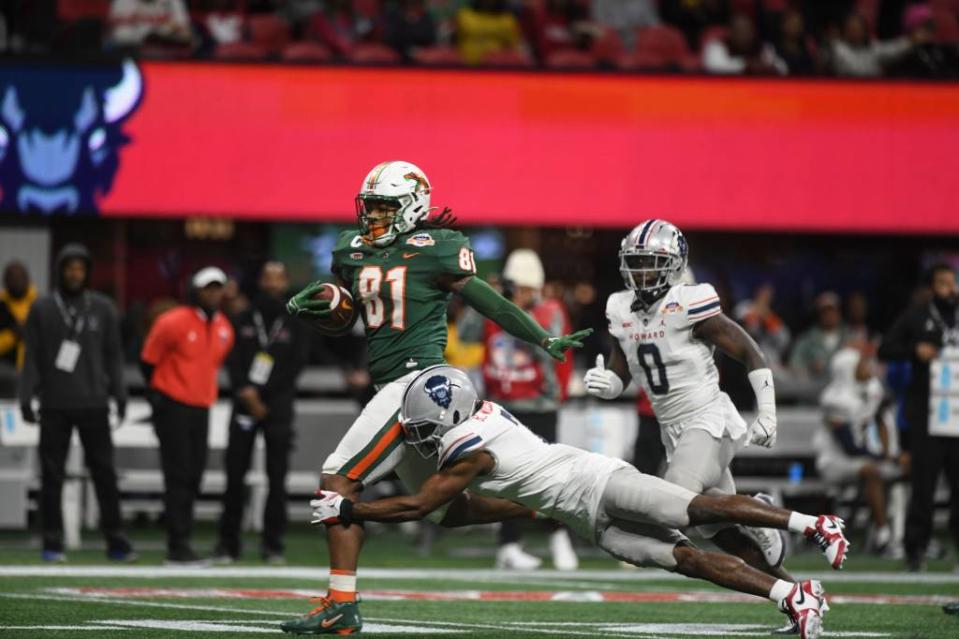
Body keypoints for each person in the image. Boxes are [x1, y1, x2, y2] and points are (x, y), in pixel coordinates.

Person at [280, 160, 591, 634]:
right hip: (389, 383)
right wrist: (316, 307)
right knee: (448, 509)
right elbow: (349, 313)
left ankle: (340, 603)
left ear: (411, 208)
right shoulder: (350, 249)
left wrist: (542, 339)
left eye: (386, 208)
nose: (374, 218)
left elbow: (493, 303)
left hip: (417, 383)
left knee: (337, 478)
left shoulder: (440, 249)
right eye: (371, 208)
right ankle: (552, 503)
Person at [311, 365, 848, 639]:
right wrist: (531, 510)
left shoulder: (467, 451)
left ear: (450, 419)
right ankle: (792, 596)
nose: (420, 438)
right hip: (585, 515)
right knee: (685, 559)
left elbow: (420, 508)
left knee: (695, 506)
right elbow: (461, 513)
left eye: (424, 428)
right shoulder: (478, 423)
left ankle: (813, 523)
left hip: (599, 481)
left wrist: (350, 510)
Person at [582, 220, 795, 627]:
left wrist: (767, 411)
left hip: (708, 420)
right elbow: (621, 368)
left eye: (652, 262)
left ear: (675, 265)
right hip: (672, 432)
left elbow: (750, 352)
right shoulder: (619, 307)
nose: (643, 271)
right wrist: (609, 384)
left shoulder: (689, 302)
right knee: (724, 536)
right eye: (636, 262)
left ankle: (761, 512)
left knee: (672, 504)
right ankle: (797, 596)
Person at [18, 244, 134, 562]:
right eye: (69, 267)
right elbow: (31, 357)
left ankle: (116, 540)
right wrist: (26, 396)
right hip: (54, 403)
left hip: (94, 402)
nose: (75, 273)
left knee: (105, 473)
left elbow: (114, 356)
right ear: (60, 271)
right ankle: (52, 541)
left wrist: (120, 395)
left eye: (80, 268)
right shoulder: (42, 308)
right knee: (52, 475)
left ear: (88, 272)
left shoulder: (102, 308)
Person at [470, 249, 578, 570]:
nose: (521, 294)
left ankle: (558, 535)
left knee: (547, 477)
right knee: (503, 478)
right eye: (516, 287)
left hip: (538, 405)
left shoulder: (549, 310)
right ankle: (508, 544)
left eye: (526, 288)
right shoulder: (492, 309)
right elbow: (465, 333)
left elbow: (557, 355)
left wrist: (552, 396)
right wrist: (483, 299)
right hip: (502, 406)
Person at [213, 262, 309, 565]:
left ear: (285, 283)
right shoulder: (242, 317)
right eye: (267, 277)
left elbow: (296, 365)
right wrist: (246, 391)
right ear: (259, 281)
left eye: (277, 278)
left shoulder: (295, 320)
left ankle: (273, 545)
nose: (272, 284)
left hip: (276, 405)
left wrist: (264, 396)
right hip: (244, 402)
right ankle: (228, 544)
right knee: (234, 475)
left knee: (277, 477)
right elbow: (232, 359)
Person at [140, 266, 234, 565]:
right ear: (196, 290)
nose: (213, 293)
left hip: (201, 407)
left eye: (217, 288)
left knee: (194, 476)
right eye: (208, 288)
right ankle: (177, 545)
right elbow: (148, 362)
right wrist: (160, 397)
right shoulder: (172, 322)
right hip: (173, 406)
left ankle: (180, 540)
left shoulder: (224, 328)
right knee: (178, 476)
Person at [878, 263, 959, 572]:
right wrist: (915, 350)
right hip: (929, 415)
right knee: (923, 489)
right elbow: (886, 349)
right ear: (931, 288)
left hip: (958, 416)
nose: (949, 289)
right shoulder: (917, 314)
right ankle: (915, 552)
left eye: (952, 282)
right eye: (942, 283)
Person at [816, 346, 908, 554]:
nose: (868, 368)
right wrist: (883, 458)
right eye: (861, 365)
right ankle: (883, 536)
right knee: (872, 471)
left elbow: (882, 414)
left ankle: (902, 534)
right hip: (834, 461)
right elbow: (849, 447)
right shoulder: (833, 398)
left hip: (862, 456)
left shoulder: (870, 389)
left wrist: (888, 452)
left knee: (908, 467)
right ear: (847, 369)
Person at [789, 292, 848, 386]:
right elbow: (794, 364)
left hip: (842, 390)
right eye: (825, 312)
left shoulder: (850, 337)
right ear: (819, 314)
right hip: (813, 391)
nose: (829, 315)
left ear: (839, 313)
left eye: (832, 310)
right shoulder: (807, 339)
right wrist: (809, 368)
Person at [830, 12, 914, 78]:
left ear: (864, 30)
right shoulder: (838, 48)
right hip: (846, 88)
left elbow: (893, 49)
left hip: (872, 89)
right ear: (845, 31)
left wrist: (912, 41)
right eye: (851, 29)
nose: (855, 32)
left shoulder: (873, 47)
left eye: (857, 28)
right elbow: (854, 70)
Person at [702, 12, 785, 75]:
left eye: (747, 31)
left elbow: (783, 68)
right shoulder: (716, 46)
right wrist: (746, 65)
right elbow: (714, 67)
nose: (744, 35)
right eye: (740, 31)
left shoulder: (764, 47)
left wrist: (768, 67)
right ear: (731, 32)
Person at [456, 0, 524, 65]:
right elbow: (454, 43)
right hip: (466, 66)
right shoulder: (464, 16)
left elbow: (515, 48)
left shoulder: (508, 21)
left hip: (497, 68)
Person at [0, 261, 36, 370]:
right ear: (5, 281)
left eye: (20, 278)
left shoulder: (38, 305)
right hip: (5, 371)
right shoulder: (1, 306)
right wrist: (13, 335)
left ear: (27, 280)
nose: (16, 282)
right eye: (12, 278)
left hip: (34, 369)